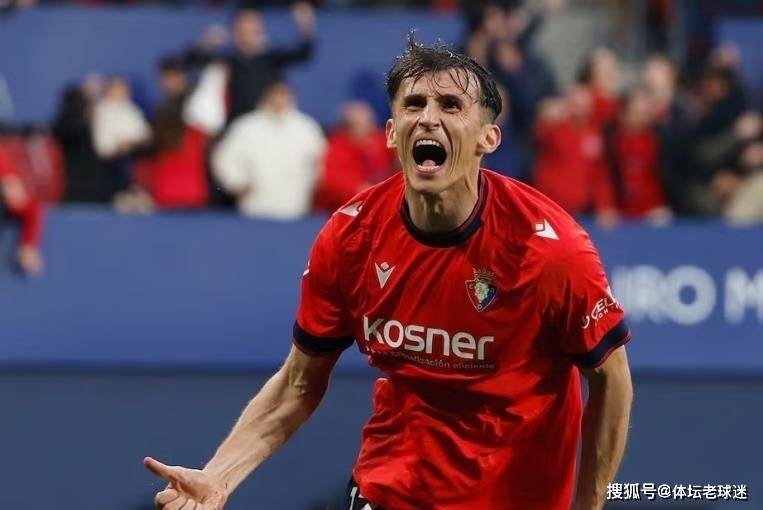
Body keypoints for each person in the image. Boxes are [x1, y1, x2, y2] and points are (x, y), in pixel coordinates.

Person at [145, 38, 633, 510]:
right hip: (391, 491)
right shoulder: (351, 237)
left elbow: (611, 381)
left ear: (489, 138)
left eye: (450, 105)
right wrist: (219, 474)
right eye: (414, 104)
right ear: (392, 132)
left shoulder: (551, 251)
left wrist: (589, 505)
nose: (428, 118)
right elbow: (297, 384)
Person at [211, 82, 325, 220]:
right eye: (275, 95)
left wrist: (312, 189)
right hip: (255, 207)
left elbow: (321, 162)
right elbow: (225, 158)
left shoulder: (307, 128)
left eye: (283, 95)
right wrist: (237, 183)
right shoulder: (246, 126)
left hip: (295, 207)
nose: (279, 99)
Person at [313, 101, 396, 212]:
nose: (371, 128)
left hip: (377, 204)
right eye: (363, 125)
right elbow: (336, 183)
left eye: (370, 122)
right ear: (348, 129)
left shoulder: (379, 140)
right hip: (344, 212)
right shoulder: (337, 149)